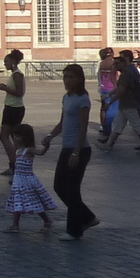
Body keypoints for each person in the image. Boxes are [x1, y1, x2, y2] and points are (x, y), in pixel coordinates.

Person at [43, 63, 98, 239]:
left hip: (79, 149)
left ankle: (74, 230)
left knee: (72, 189)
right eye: (65, 77)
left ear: (79, 79)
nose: (66, 80)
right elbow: (63, 121)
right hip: (67, 147)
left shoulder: (83, 99)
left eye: (70, 77)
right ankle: (88, 217)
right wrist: (50, 136)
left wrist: (76, 152)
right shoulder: (66, 98)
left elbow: (83, 128)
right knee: (59, 186)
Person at [4, 123, 57, 233]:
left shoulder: (28, 150)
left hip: (28, 180)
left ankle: (46, 220)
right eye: (14, 135)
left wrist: (46, 146)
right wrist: (14, 177)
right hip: (19, 179)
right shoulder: (18, 150)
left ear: (25, 137)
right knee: (17, 200)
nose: (15, 138)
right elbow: (17, 167)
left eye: (18, 136)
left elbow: (40, 152)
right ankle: (15, 224)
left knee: (33, 200)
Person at [102, 50, 140, 153]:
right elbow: (119, 88)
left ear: (124, 62)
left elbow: (121, 90)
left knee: (137, 125)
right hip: (125, 104)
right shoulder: (128, 72)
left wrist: (110, 101)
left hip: (129, 103)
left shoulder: (126, 74)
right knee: (117, 125)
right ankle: (108, 145)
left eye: (117, 64)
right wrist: (108, 95)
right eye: (114, 64)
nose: (115, 66)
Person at [0, 50, 26, 175]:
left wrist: (5, 88)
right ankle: (14, 165)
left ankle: (15, 164)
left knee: (4, 136)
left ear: (13, 61)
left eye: (6, 61)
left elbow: (20, 92)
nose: (5, 64)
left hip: (14, 108)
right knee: (12, 137)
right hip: (11, 107)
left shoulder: (17, 75)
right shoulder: (14, 74)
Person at [96, 49, 117, 139]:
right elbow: (113, 77)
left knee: (104, 108)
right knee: (112, 109)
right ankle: (108, 129)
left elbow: (100, 76)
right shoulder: (112, 63)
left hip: (103, 87)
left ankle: (104, 126)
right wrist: (117, 86)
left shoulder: (101, 63)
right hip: (111, 88)